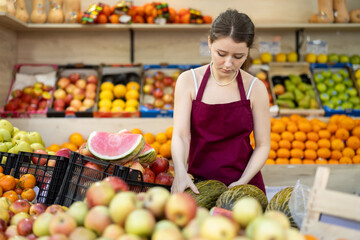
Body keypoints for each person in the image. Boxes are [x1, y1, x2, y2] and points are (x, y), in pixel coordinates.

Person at [171, 9, 271, 194]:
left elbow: (263, 144)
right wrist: (180, 172)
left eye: (238, 57)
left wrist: (243, 181)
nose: (228, 63)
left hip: (244, 185)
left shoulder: (255, 88)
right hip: (197, 186)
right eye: (221, 53)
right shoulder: (188, 81)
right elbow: (181, 136)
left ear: (248, 51)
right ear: (209, 43)